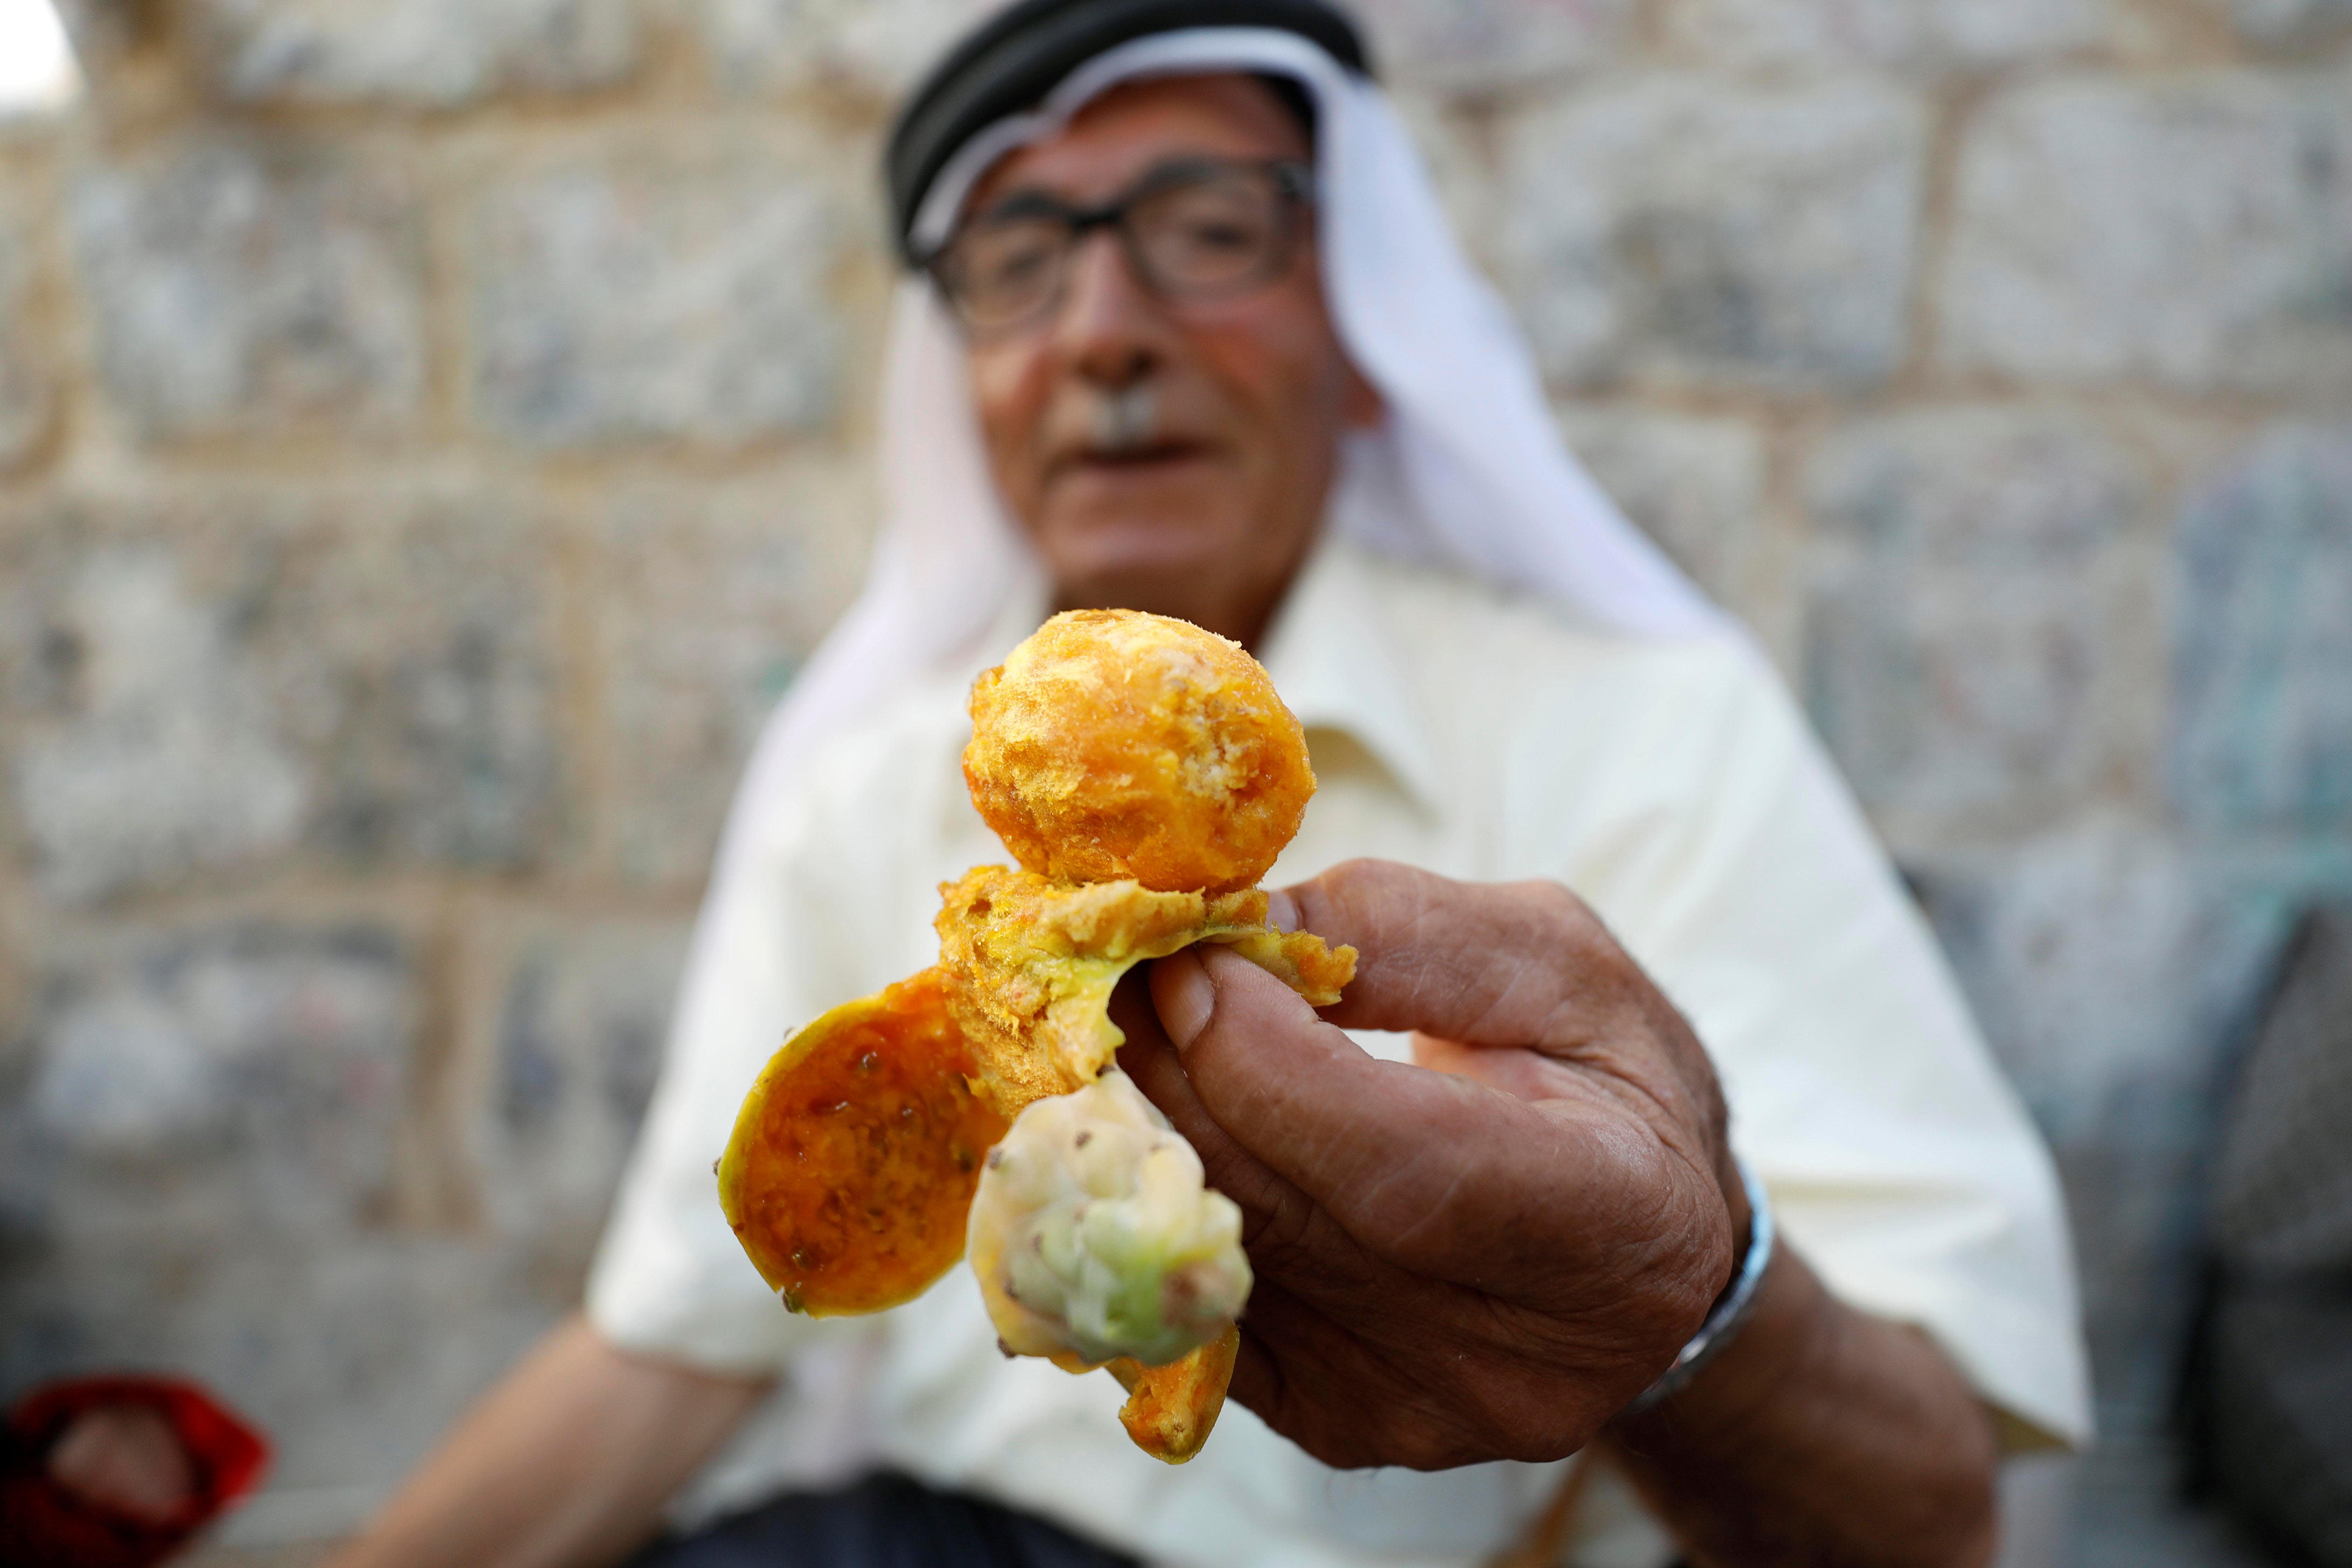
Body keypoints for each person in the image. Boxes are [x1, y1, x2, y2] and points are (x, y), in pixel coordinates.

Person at [328, 2, 2090, 1565]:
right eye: (1021, 255)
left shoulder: (1647, 732)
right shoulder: (867, 791)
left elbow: (1935, 1514)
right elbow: (669, 1349)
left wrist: (1687, 1306)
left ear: (1365, 313)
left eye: (1205, 227)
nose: (1104, 326)